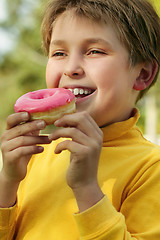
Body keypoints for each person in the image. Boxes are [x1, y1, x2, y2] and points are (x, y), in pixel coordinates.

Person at [0, 0, 160, 239]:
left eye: (94, 51)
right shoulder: (36, 155)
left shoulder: (150, 168)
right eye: (59, 53)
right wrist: (8, 180)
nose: (70, 68)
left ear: (142, 74)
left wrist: (87, 188)